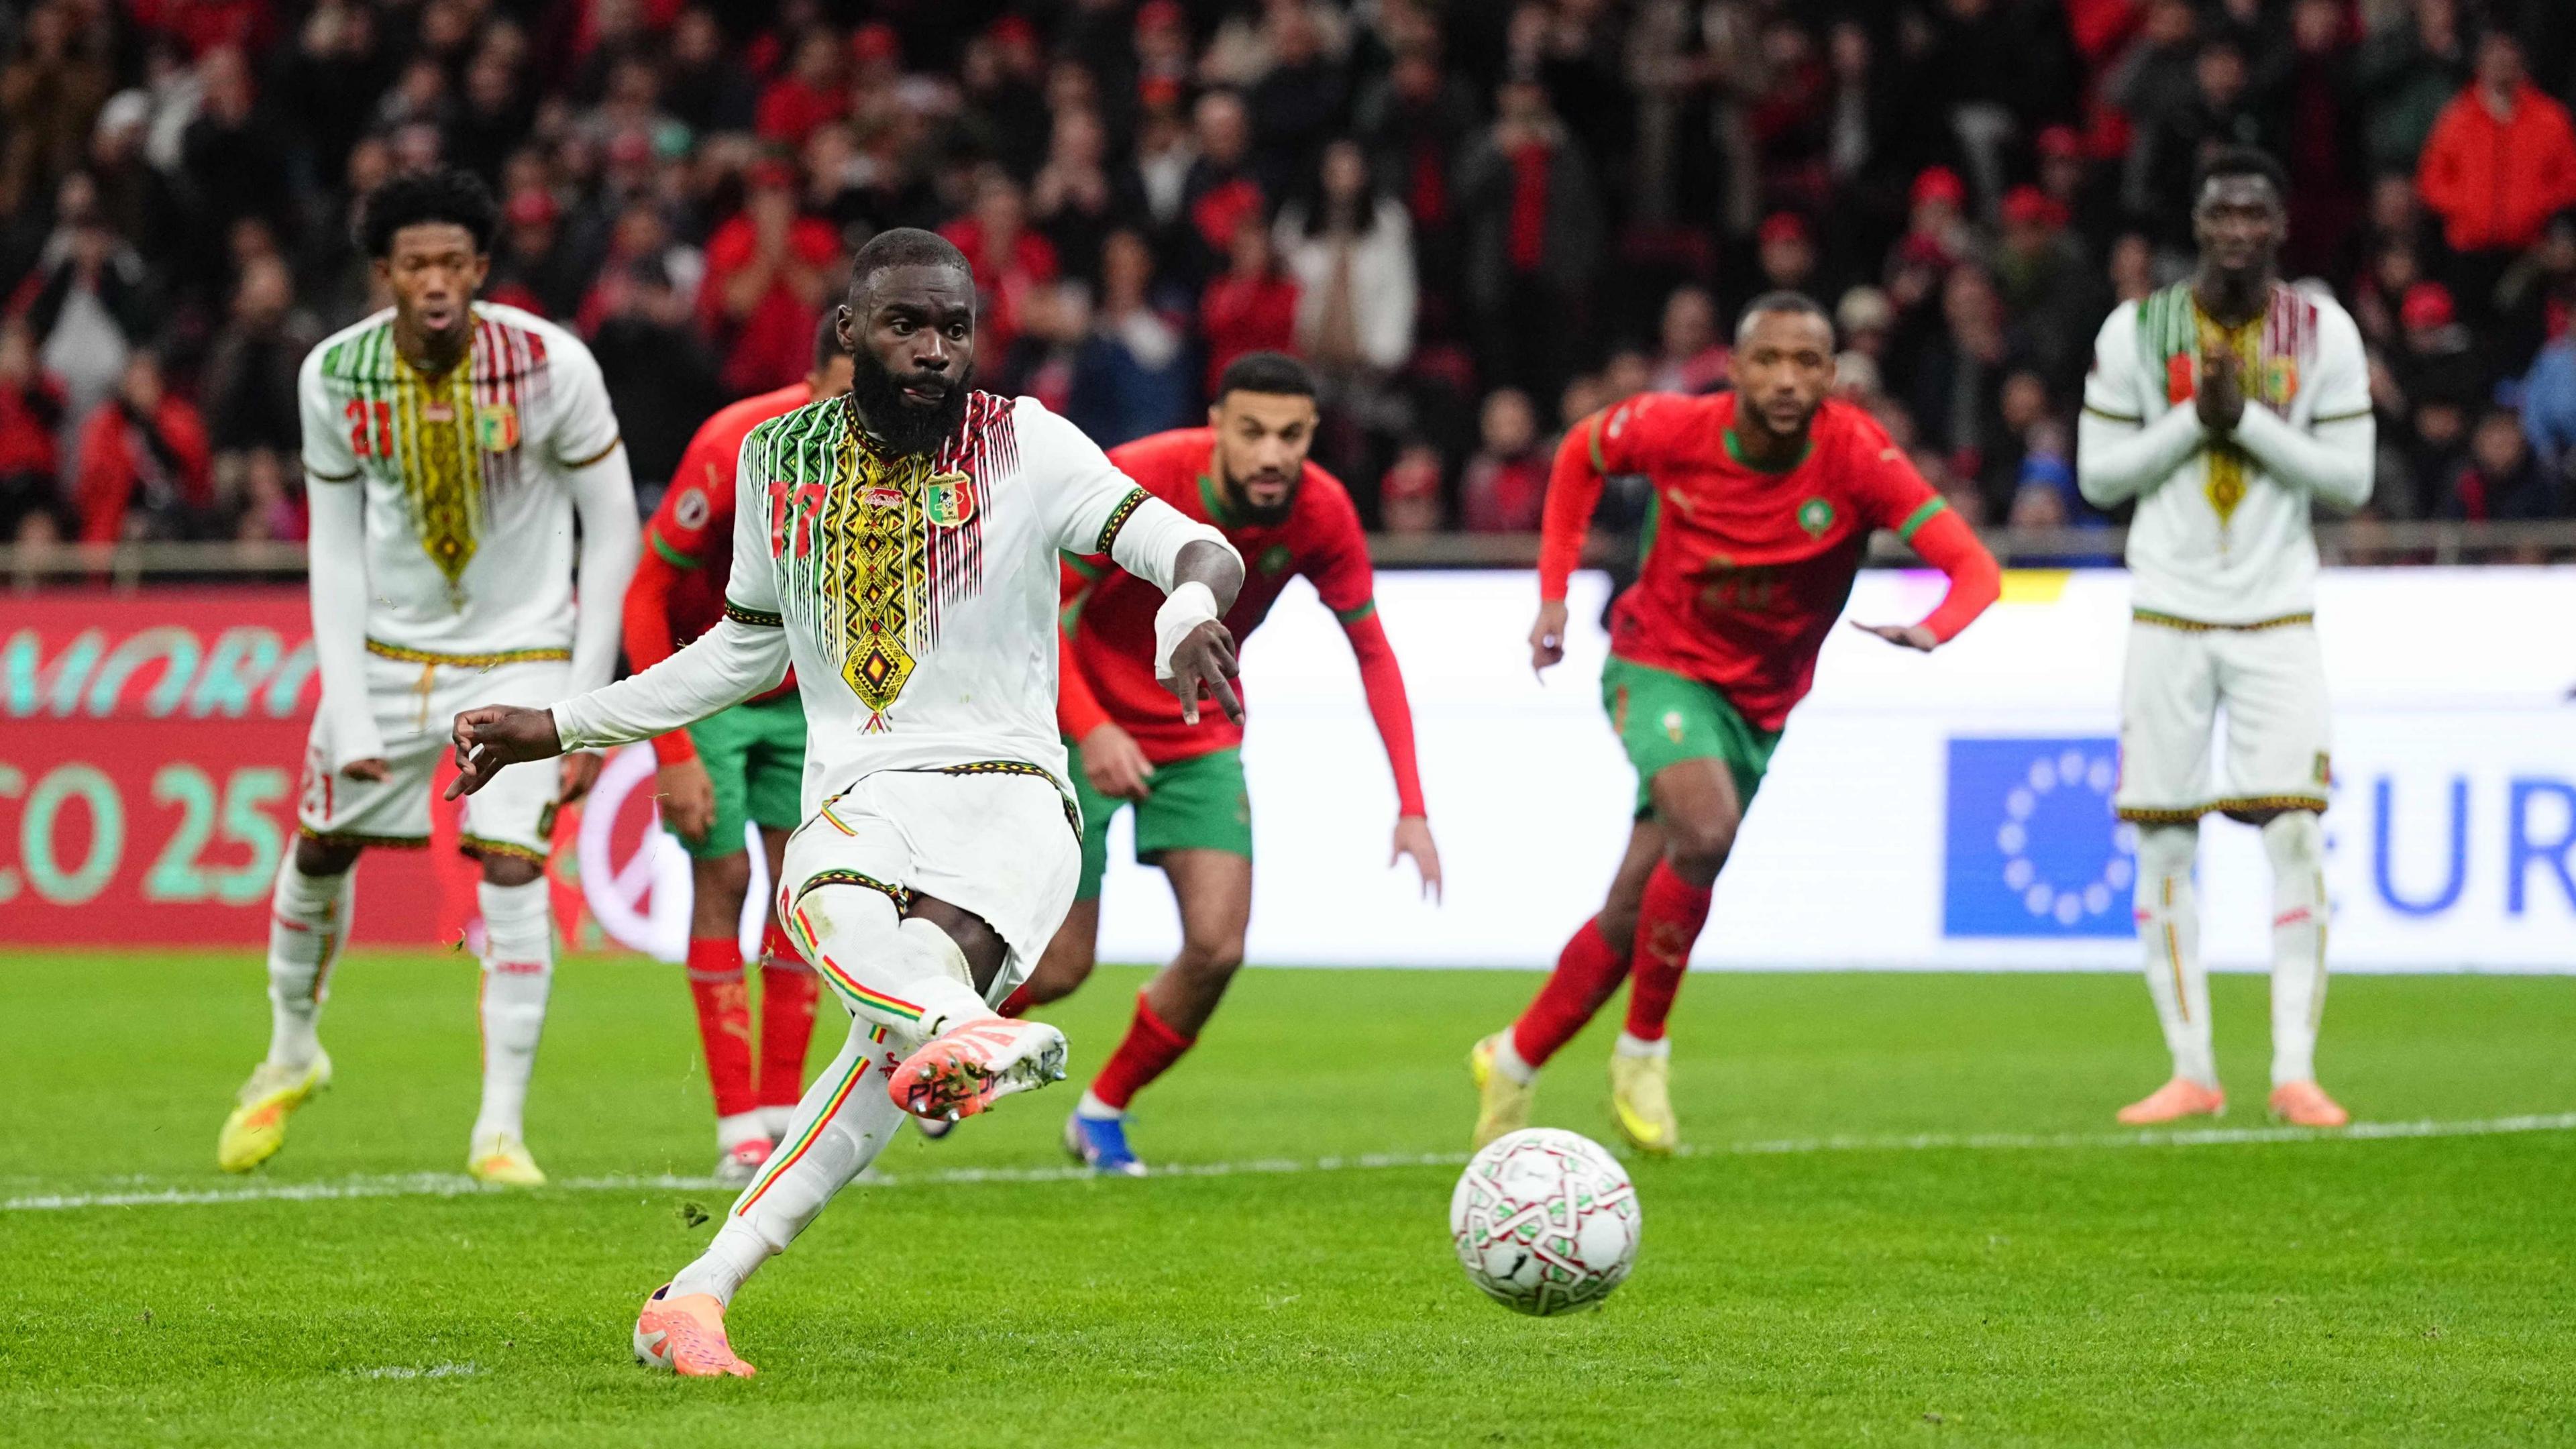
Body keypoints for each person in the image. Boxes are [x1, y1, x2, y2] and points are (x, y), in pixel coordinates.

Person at [441, 229, 1245, 1377]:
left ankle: (948, 1034)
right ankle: (701, 1290)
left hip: (1015, 800)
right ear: (850, 335)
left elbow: (1195, 548)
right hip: (861, 792)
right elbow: (742, 652)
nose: (934, 352)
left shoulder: (1029, 445)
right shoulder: (781, 460)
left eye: (954, 330)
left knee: (899, 1021)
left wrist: (1184, 612)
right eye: (908, 326)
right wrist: (566, 723)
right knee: (869, 997)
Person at [1468, 290, 2002, 1155]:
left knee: (1632, 905)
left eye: (1806, 363)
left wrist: (1933, 630)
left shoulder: (1858, 456)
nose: (1787, 379)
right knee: (1707, 831)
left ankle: (1515, 1059)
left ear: (1831, 375)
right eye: (1769, 360)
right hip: (1657, 665)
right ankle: (1643, 1051)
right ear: (1737, 368)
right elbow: (1579, 453)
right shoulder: (1677, 428)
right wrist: (1555, 597)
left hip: (1760, 706)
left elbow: (1974, 568)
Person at [215, 169, 641, 1185]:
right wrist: (351, 706)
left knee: (511, 868)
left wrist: (583, 711)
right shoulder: (334, 374)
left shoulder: (550, 365)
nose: (437, 280)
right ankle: (292, 1050)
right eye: (416, 264)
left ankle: (499, 1130)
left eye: (455, 261)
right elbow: (337, 548)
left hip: (524, 651)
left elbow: (612, 523)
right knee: (320, 849)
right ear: (385, 274)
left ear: (482, 269)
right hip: (391, 656)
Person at [1009, 352, 1440, 1175]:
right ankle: (956, 1050)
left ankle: (1102, 1112)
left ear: (1314, 436)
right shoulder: (1139, 478)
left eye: (1292, 435)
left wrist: (1411, 804)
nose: (1272, 454)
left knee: (1219, 946)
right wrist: (1092, 728)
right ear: (1216, 428)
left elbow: (1373, 652)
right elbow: (1042, 614)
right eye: (1252, 432)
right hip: (1075, 718)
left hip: (1197, 729)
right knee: (1063, 966)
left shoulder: (1322, 512)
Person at [2076, 147, 2375, 1129]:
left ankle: (2296, 1068)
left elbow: (2353, 481)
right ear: (2197, 226)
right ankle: (2193, 1068)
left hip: (2278, 610)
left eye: (2256, 213)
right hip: (2166, 610)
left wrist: (2239, 422)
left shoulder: (2323, 331)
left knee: (2293, 832)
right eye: (2221, 214)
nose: (2238, 230)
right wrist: (2193, 423)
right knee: (2163, 845)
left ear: (2280, 226)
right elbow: (2097, 476)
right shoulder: (2137, 328)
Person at [622, 314, 853, 1184]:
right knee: (723, 879)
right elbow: (645, 593)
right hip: (714, 684)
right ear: (812, 380)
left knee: (803, 894)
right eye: (835, 399)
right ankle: (733, 1129)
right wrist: (670, 747)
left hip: (817, 697)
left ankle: (783, 1114)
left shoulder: (906, 456)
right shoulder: (736, 444)